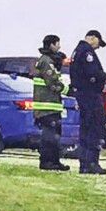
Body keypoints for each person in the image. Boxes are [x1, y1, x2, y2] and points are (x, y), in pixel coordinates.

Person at [70, 30, 106, 175]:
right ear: (93, 38)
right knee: (94, 128)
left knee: (85, 129)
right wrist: (105, 76)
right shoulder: (86, 52)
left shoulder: (77, 52)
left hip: (83, 94)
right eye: (98, 43)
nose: (98, 47)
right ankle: (91, 162)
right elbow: (92, 72)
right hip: (90, 95)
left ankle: (84, 163)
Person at [33, 35, 70, 171]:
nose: (59, 47)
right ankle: (47, 162)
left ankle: (54, 161)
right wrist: (68, 90)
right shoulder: (46, 62)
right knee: (48, 137)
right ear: (52, 45)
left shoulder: (47, 60)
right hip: (46, 107)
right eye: (57, 44)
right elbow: (52, 81)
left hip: (51, 105)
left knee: (54, 136)